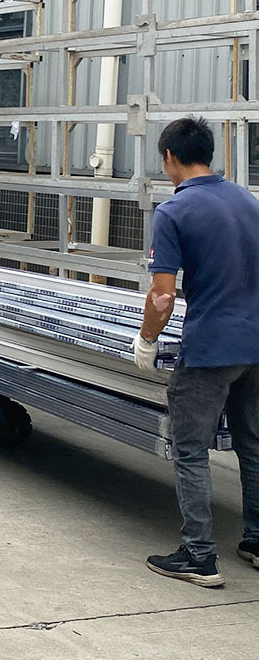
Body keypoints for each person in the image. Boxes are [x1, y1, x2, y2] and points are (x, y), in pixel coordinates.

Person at [133, 117, 259, 587]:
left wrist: (147, 340)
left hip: (210, 348)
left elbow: (162, 295)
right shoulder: (248, 201)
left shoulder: (174, 211)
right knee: (253, 443)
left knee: (189, 448)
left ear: (169, 156)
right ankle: (256, 540)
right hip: (255, 344)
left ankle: (200, 556)